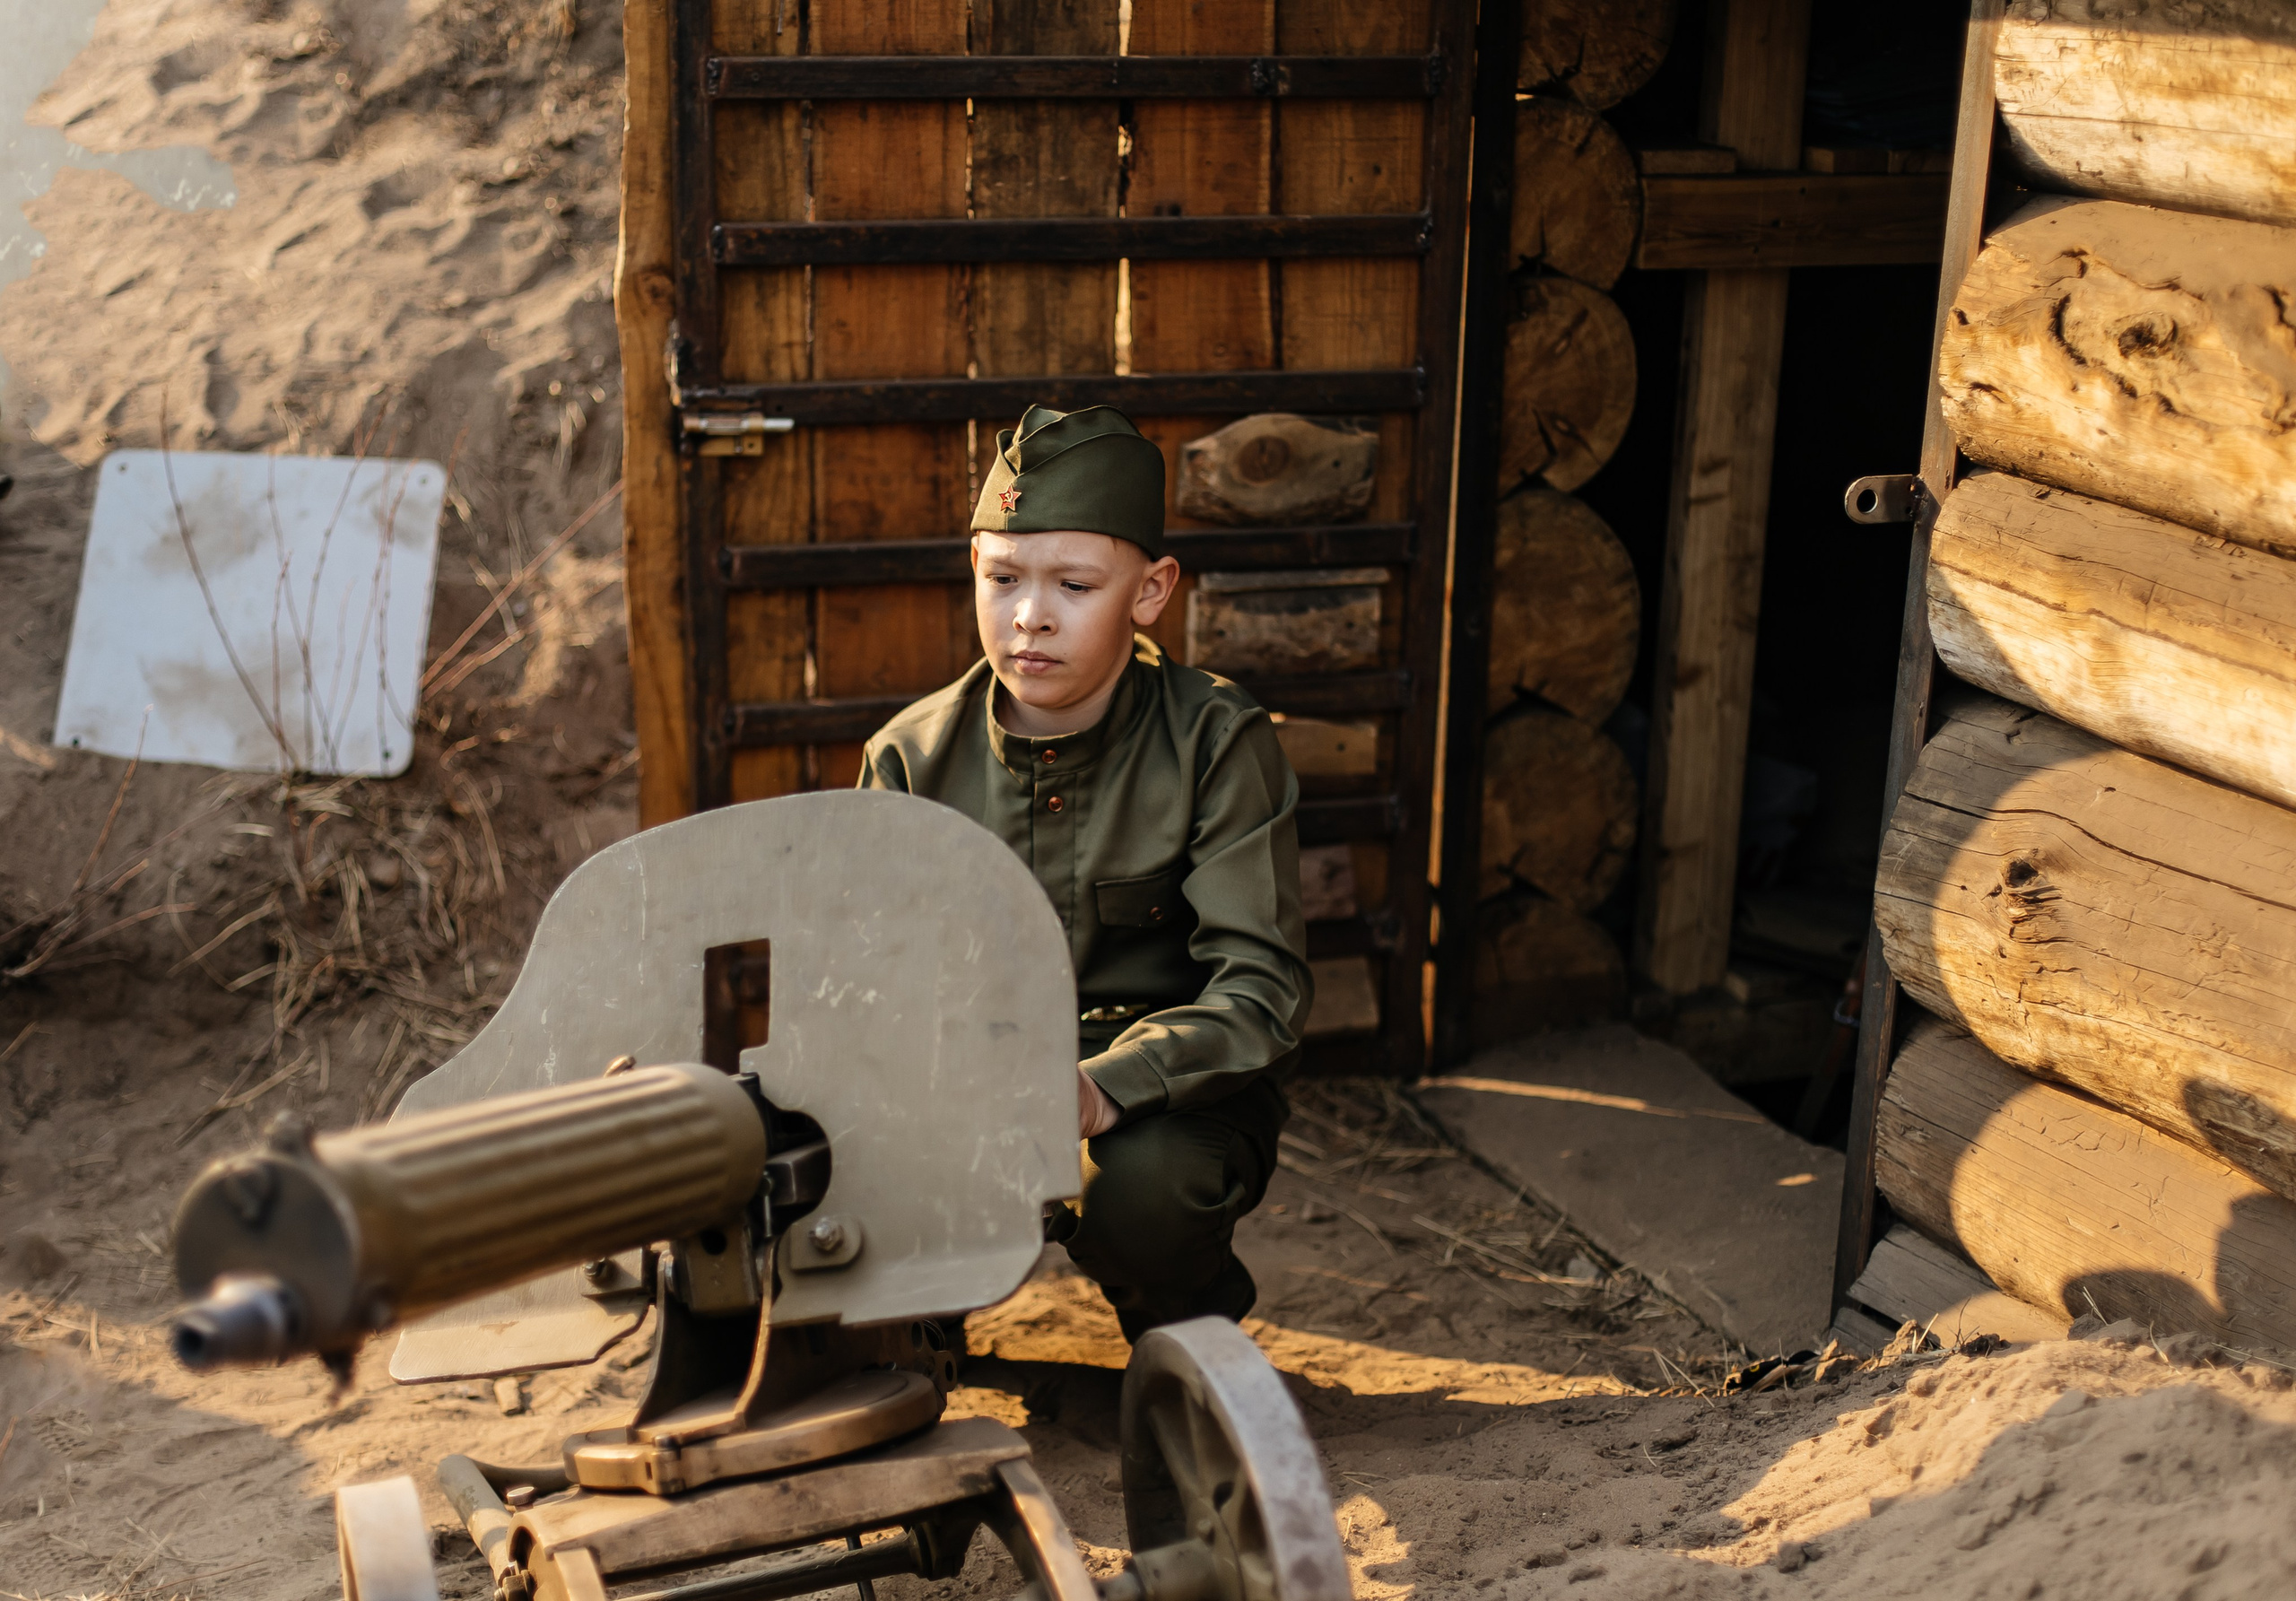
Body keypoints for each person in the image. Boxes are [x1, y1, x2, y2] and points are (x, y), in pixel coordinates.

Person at [857, 403, 1312, 1341]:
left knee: (1146, 1192)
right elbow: (869, 990)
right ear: (972, 570)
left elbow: (1261, 988)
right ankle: (916, 1336)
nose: (1031, 615)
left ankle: (1186, 1343)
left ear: (1149, 592)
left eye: (1073, 583)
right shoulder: (908, 758)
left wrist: (1105, 1086)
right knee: (843, 1203)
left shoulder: (1215, 741)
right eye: (1003, 578)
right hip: (968, 1088)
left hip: (1168, 1093)